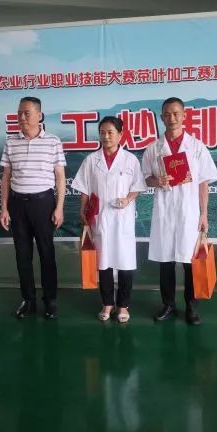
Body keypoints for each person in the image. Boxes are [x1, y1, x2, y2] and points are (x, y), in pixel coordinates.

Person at [142, 97, 217, 325]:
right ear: (161, 117)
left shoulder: (196, 147)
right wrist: (158, 181)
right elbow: (145, 178)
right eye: (167, 114)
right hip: (165, 211)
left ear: (184, 116)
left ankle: (192, 307)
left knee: (189, 262)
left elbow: (203, 182)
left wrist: (204, 214)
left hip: (189, 212)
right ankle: (168, 305)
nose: (172, 118)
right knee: (165, 262)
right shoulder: (153, 148)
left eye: (176, 113)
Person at [71, 116, 147, 323]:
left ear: (120, 135)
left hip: (123, 219)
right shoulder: (91, 160)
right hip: (100, 218)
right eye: (102, 132)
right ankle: (107, 303)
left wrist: (127, 199)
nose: (106, 136)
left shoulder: (130, 160)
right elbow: (84, 188)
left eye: (110, 132)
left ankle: (123, 305)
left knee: (125, 262)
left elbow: (137, 186)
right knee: (103, 262)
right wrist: (82, 210)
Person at [0, 97, 67, 319]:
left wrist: (59, 207)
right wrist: (4, 208)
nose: (22, 117)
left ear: (39, 115)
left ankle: (50, 301)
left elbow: (60, 177)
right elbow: (5, 177)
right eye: (19, 113)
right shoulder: (11, 142)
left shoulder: (53, 141)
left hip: (43, 204)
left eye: (26, 113)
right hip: (17, 204)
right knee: (22, 255)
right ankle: (28, 300)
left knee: (47, 253)